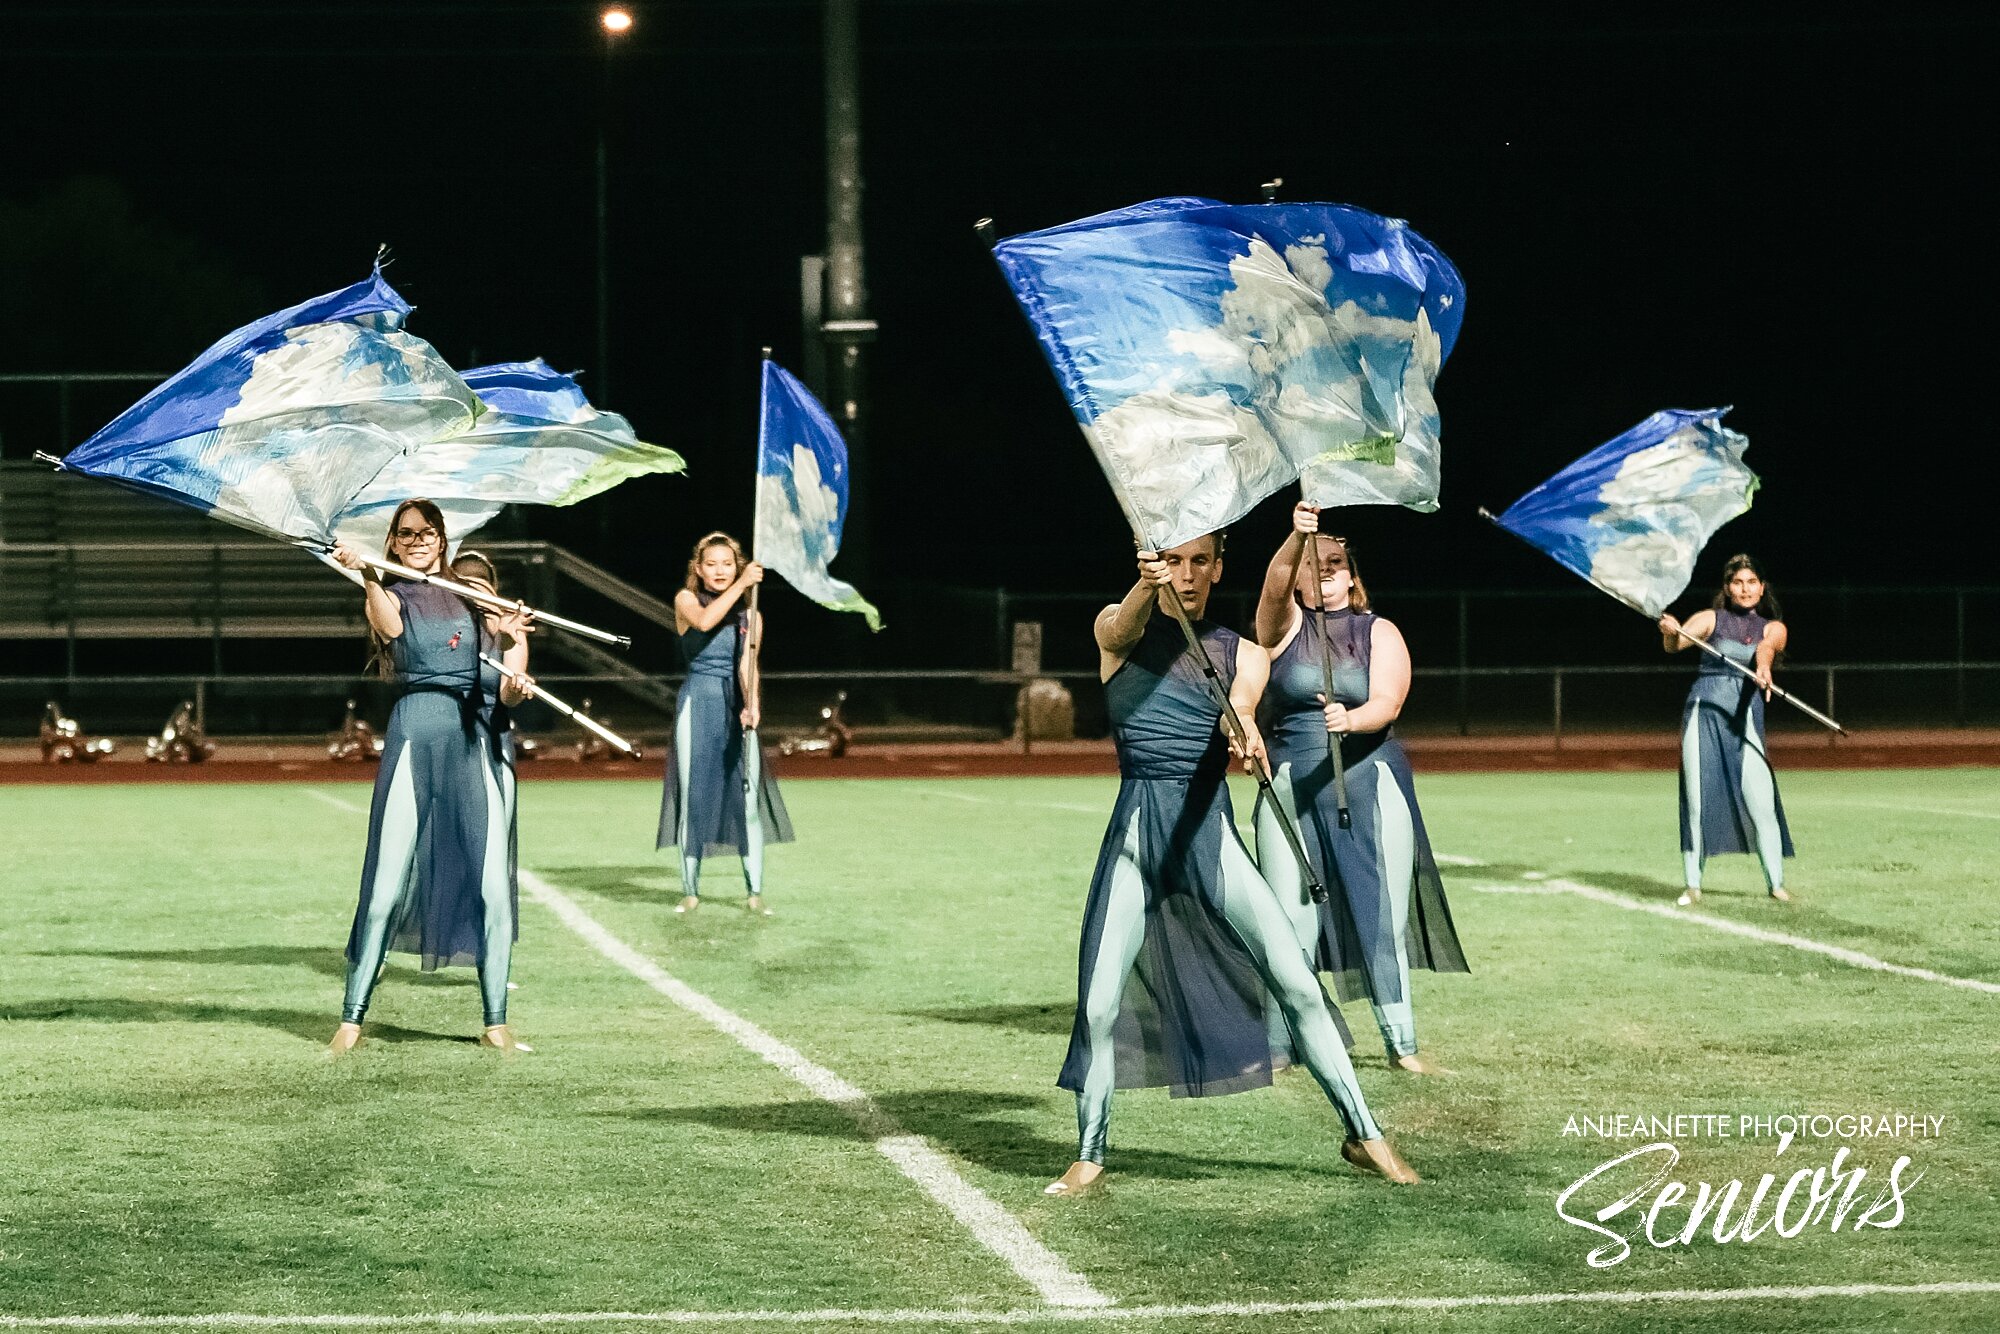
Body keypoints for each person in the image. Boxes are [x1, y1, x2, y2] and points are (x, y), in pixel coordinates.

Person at [1049, 534, 1418, 1198]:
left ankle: (1367, 1137)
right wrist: (1144, 583)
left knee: (1299, 985)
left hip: (1209, 834)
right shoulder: (1117, 631)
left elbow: (1240, 710)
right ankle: (1089, 1154)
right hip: (1138, 837)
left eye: (1199, 563)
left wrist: (1243, 733)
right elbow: (1123, 623)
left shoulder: (1245, 653)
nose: (1186, 576)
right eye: (1175, 562)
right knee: (1100, 1007)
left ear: (1218, 568)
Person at [1251, 503, 1467, 1075]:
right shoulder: (1284, 626)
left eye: (1336, 563)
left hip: (1369, 781)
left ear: (1351, 575)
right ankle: (1281, 1045)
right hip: (1291, 785)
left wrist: (1354, 719)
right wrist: (1296, 536)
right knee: (1287, 921)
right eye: (1311, 563)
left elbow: (1389, 701)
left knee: (1381, 917)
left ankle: (1402, 1045)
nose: (1323, 571)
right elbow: (1273, 592)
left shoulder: (1380, 631)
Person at [327, 501, 533, 1055]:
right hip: (416, 736)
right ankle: (351, 1017)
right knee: (385, 887)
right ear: (393, 542)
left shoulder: (478, 601)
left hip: (475, 744)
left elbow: (510, 690)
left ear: (443, 538)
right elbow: (386, 623)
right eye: (406, 533)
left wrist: (511, 644)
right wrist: (369, 574)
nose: (418, 539)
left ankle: (496, 1021)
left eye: (427, 531)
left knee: (493, 888)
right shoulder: (394, 594)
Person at [657, 531, 794, 915]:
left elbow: (747, 664)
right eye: (712, 564)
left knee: (746, 799)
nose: (720, 571)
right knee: (693, 797)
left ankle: (754, 892)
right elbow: (704, 622)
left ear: (737, 567)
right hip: (697, 702)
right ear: (698, 570)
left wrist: (753, 704)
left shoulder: (751, 615)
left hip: (734, 705)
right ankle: (690, 890)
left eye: (728, 564)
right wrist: (744, 585)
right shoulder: (686, 600)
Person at [1658, 553, 1795, 905]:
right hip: (1705, 710)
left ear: (1762, 588)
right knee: (1698, 799)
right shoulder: (1709, 619)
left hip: (1745, 713)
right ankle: (1692, 884)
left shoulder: (1772, 627)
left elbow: (1767, 648)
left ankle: (1776, 884)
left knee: (1761, 800)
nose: (1745, 589)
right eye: (1738, 582)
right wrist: (1671, 633)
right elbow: (1676, 645)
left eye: (1752, 582)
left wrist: (1763, 668)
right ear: (1727, 588)